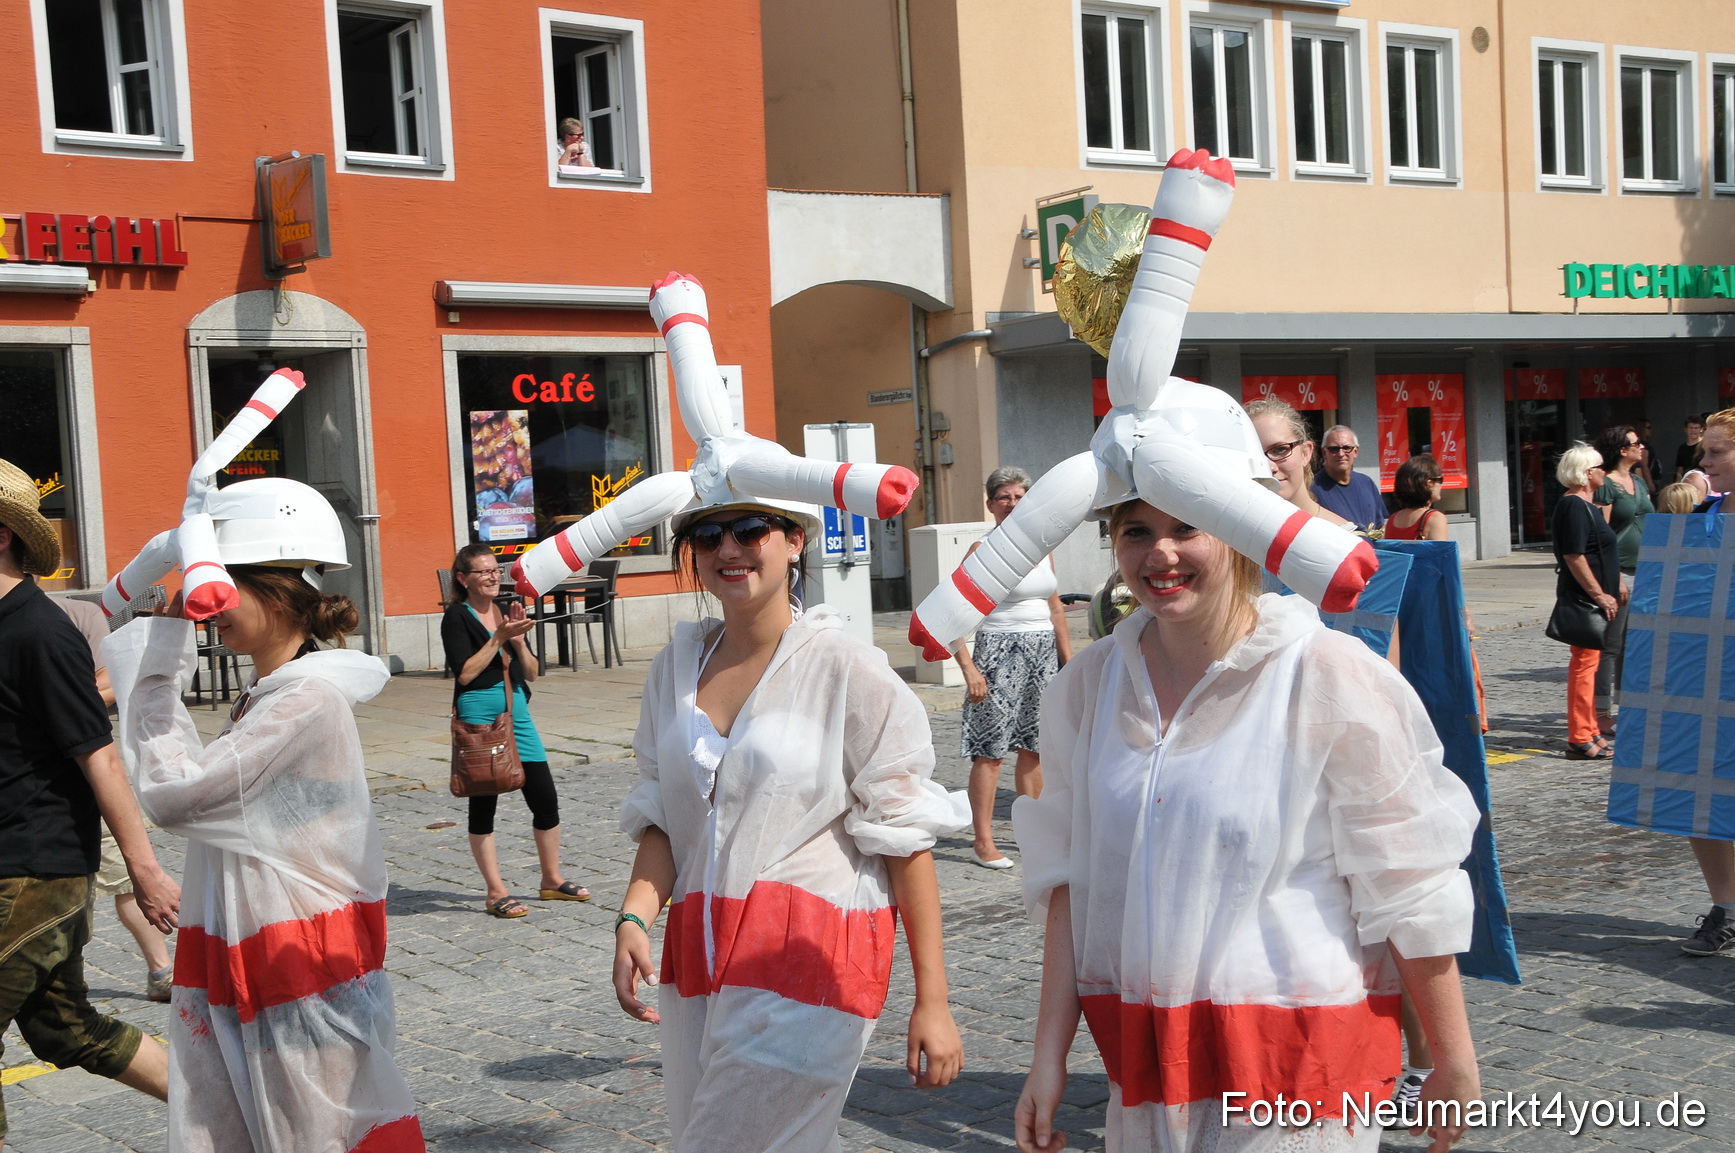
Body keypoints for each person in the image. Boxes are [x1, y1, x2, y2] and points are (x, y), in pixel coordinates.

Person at [1012, 498, 1481, 1153]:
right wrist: (1047, 1057)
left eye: (1185, 528)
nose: (1160, 553)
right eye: (1136, 532)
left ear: (1237, 534)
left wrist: (1452, 1059)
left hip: (1300, 1068)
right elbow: (1070, 882)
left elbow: (1408, 883)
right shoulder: (1087, 686)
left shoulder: (1328, 673)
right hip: (1149, 1073)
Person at [613, 502, 964, 1150]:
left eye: (750, 530)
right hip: (701, 951)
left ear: (794, 540)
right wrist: (635, 915)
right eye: (708, 534)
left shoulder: (843, 665)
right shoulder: (674, 668)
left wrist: (932, 1000)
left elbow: (905, 837)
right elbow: (665, 808)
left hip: (809, 950)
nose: (729, 548)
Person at [105, 477, 424, 1152]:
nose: (205, 606)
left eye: (220, 586)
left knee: (314, 1137)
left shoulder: (305, 699)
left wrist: (156, 667)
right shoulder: (273, 691)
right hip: (264, 949)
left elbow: (175, 793)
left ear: (278, 591)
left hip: (296, 964)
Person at [0, 459, 180, 1153]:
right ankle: (232, 1111)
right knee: (67, 1028)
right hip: (19, 860)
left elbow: (98, 754)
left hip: (33, 870)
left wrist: (145, 867)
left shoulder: (39, 632)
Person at [442, 543, 588, 918]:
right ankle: (495, 891)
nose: (493, 577)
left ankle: (551, 878)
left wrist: (519, 644)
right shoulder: (456, 617)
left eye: (496, 570)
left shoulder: (506, 611)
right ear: (463, 579)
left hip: (517, 711)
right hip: (481, 719)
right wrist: (498, 639)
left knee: (545, 797)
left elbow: (534, 673)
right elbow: (465, 673)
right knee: (483, 803)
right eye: (484, 572)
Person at [48, 593, 174, 1001]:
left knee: (123, 876)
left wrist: (51, 704)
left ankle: (162, 972)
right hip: (23, 782)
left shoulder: (78, 613)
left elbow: (108, 683)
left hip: (87, 767)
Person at [950, 467, 1072, 868]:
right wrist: (968, 667)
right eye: (1004, 496)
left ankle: (1032, 833)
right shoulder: (982, 550)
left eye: (1020, 496)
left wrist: (1067, 661)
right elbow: (953, 613)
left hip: (1041, 653)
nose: (1013, 503)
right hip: (999, 653)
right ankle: (983, 842)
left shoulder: (1043, 547)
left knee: (1035, 750)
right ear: (990, 505)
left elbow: (1055, 610)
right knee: (990, 753)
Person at [1680, 407, 1735, 955]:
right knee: (1701, 797)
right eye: (1706, 451)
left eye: (1717, 451)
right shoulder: (1699, 519)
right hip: (1704, 681)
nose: (1705, 460)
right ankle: (1727, 906)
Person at [1549, 444, 1621, 760]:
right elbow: (1574, 555)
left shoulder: (1587, 504)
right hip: (1584, 600)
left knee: (1589, 664)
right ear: (1587, 472)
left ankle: (1589, 728)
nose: (1604, 472)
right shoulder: (1574, 506)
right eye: (1600, 467)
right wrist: (1599, 593)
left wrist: (1614, 584)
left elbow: (1598, 551)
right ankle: (1579, 735)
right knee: (1584, 664)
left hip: (1595, 597)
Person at [1592, 424, 1653, 736]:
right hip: (1620, 573)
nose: (1641, 446)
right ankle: (1601, 710)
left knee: (1634, 644)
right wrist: (1613, 576)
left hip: (1644, 571)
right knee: (1611, 644)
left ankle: (1627, 707)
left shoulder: (1639, 482)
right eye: (1635, 443)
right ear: (1621, 450)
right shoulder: (1607, 485)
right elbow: (1601, 536)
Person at [1244, 401, 1352, 529]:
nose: (1269, 467)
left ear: (1306, 453)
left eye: (1280, 450)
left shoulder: (1344, 538)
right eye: (1254, 455)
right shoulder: (1226, 540)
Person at [1309, 423, 1388, 531]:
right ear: (1324, 452)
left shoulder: (1366, 483)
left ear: (1356, 452)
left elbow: (1380, 525)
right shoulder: (1312, 488)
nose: (1341, 454)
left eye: (1347, 448)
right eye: (1334, 449)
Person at [1383, 456, 1450, 541]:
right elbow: (1441, 553)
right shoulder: (1435, 518)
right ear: (1429, 483)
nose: (1441, 485)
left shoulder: (1393, 519)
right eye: (1440, 480)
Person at [1675, 414, 1706, 482]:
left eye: (1696, 428)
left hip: (1703, 480)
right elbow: (1680, 468)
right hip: (1686, 481)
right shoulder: (1682, 448)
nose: (1693, 431)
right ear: (1685, 429)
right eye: (1691, 428)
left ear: (1701, 429)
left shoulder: (1705, 446)